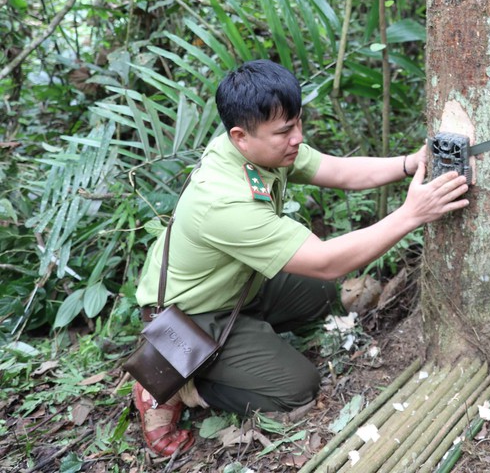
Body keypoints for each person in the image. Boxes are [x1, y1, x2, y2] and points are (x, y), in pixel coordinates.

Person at [132, 59, 470, 456]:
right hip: (193, 315)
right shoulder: (223, 200)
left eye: (297, 124)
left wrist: (410, 163)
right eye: (284, 131)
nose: (298, 138)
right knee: (297, 389)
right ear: (241, 136)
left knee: (322, 292)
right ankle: (180, 381)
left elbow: (338, 171)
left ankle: (247, 339)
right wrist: (412, 215)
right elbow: (326, 261)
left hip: (240, 283)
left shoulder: (257, 150)